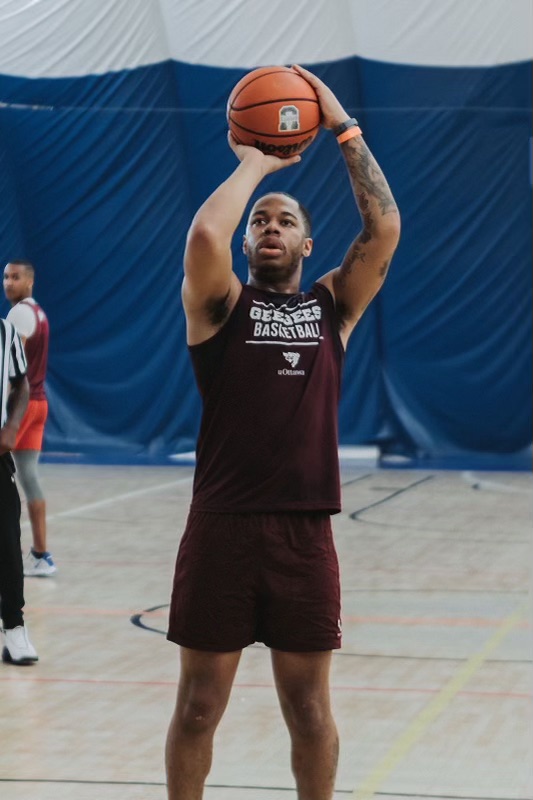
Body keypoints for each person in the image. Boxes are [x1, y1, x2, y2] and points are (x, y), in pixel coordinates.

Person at [165, 64, 400, 800]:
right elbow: (207, 229)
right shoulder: (218, 307)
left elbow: (384, 225)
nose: (269, 226)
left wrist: (340, 125)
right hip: (222, 527)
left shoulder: (332, 306)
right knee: (200, 707)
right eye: (260, 221)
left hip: (304, 534)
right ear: (247, 245)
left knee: (308, 710)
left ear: (307, 247)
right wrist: (256, 164)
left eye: (285, 220)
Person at [3, 259, 55, 577]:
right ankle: (41, 555)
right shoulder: (38, 312)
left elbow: (14, 368)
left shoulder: (19, 314)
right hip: (39, 404)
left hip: (20, 407)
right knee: (28, 477)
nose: (9, 282)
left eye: (16, 277)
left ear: (30, 282)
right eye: (5, 277)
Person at [0, 317, 39, 664]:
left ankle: (14, 628)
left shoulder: (5, 332)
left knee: (8, 546)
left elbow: (21, 384)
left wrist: (12, 426)